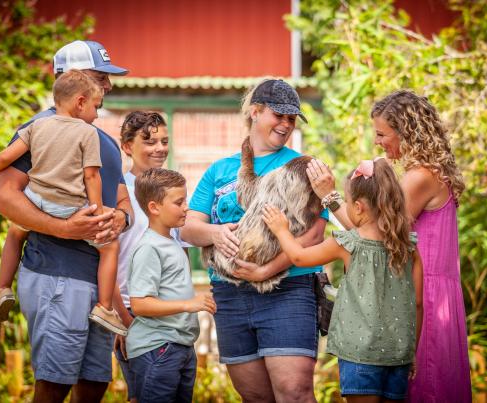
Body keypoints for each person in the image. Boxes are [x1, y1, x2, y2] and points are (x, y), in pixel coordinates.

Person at [307, 90, 471, 402]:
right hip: (433, 289)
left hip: (421, 293)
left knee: (425, 387)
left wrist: (329, 196)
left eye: (382, 134)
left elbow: (371, 235)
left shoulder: (419, 176)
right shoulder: (430, 171)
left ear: (406, 131)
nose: (378, 143)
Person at [0, 40, 132, 403]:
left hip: (95, 281)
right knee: (54, 385)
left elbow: (119, 196)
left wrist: (121, 217)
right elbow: (3, 196)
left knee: (94, 382)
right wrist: (65, 228)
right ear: (75, 80)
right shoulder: (40, 128)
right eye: (102, 78)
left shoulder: (102, 139)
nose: (109, 87)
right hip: (55, 276)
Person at [181, 78, 328, 402]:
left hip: (287, 288)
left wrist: (267, 271)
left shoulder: (304, 168)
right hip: (231, 293)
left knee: (294, 393)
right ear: (255, 111)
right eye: (280, 115)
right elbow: (189, 229)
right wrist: (216, 233)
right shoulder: (219, 169)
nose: (286, 124)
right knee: (254, 396)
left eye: (292, 119)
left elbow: (315, 234)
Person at [263, 158, 423, 402]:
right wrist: (411, 352)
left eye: (347, 202)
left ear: (358, 207)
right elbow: (418, 303)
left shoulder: (349, 244)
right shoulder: (409, 247)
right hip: (398, 355)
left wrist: (281, 229)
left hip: (359, 356)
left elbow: (298, 256)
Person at [0, 69, 127, 336]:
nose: (97, 115)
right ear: (80, 103)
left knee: (16, 231)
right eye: (96, 107)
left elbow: (6, 156)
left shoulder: (36, 125)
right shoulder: (88, 134)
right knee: (109, 247)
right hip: (67, 206)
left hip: (36, 199)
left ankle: (3, 289)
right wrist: (95, 211)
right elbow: (91, 175)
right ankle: (105, 307)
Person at [114, 111, 190, 402]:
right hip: (132, 310)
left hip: (170, 313)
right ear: (126, 146)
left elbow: (179, 250)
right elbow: (107, 259)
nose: (159, 148)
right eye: (149, 141)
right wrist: (122, 319)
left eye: (164, 141)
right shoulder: (117, 191)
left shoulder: (172, 190)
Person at [126, 168, 216, 403]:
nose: (186, 207)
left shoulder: (171, 242)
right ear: (154, 207)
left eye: (185, 200)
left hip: (180, 346)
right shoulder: (149, 247)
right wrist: (189, 304)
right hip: (158, 348)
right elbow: (140, 304)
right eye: (179, 202)